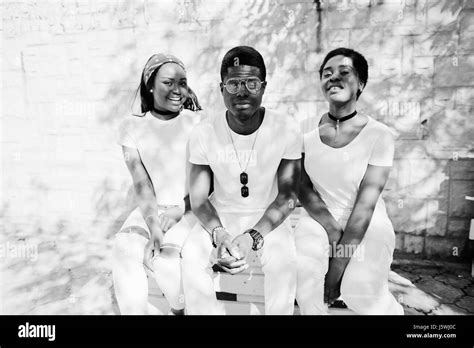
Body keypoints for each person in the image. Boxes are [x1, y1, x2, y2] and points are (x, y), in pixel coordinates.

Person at [181, 46, 302, 315]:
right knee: (191, 254)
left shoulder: (286, 128)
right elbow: (199, 199)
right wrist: (219, 234)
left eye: (251, 82)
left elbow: (288, 197)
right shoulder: (203, 132)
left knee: (283, 261)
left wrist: (253, 237)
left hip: (268, 215)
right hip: (221, 214)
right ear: (221, 87)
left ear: (263, 87)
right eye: (233, 83)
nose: (242, 91)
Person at [295, 47, 404, 315]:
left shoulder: (380, 135)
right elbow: (301, 185)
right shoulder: (304, 129)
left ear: (361, 84)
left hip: (367, 223)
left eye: (344, 72)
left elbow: (365, 206)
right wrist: (332, 230)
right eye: (327, 73)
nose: (334, 77)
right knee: (304, 276)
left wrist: (338, 265)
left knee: (357, 288)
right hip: (319, 219)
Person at [112, 53, 201, 315]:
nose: (177, 90)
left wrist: (179, 211)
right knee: (124, 248)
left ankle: (178, 310)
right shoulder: (132, 127)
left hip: (191, 207)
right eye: (168, 82)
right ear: (150, 84)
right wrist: (153, 225)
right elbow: (142, 185)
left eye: (182, 82)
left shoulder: (198, 123)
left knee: (165, 261)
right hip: (154, 209)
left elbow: (208, 181)